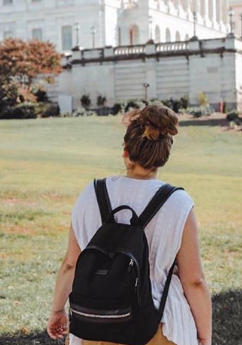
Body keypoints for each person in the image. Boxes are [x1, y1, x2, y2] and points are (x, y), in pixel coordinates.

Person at [47, 104, 212, 345]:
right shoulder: (178, 203)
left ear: (125, 151)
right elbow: (194, 280)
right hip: (158, 324)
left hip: (95, 324)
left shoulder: (92, 193)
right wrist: (204, 336)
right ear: (163, 156)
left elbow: (72, 263)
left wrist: (58, 310)